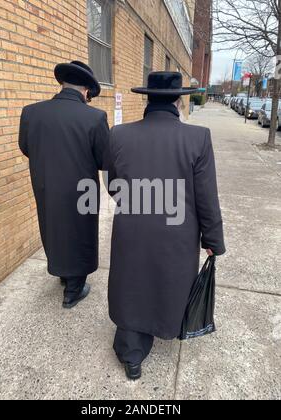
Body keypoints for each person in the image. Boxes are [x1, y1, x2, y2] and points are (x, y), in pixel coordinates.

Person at [104, 71, 226, 380]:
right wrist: (213, 238)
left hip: (131, 228)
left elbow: (114, 186)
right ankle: (163, 326)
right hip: (178, 233)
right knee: (167, 281)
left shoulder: (119, 134)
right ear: (178, 99)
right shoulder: (198, 138)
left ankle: (131, 352)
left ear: (147, 98)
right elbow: (206, 197)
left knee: (131, 282)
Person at [19, 61, 109, 309]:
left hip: (46, 183)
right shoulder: (95, 117)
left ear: (62, 84)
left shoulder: (31, 112)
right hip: (83, 189)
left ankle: (62, 273)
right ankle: (74, 289)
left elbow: (26, 147)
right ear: (86, 91)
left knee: (53, 227)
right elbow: (104, 159)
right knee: (80, 232)